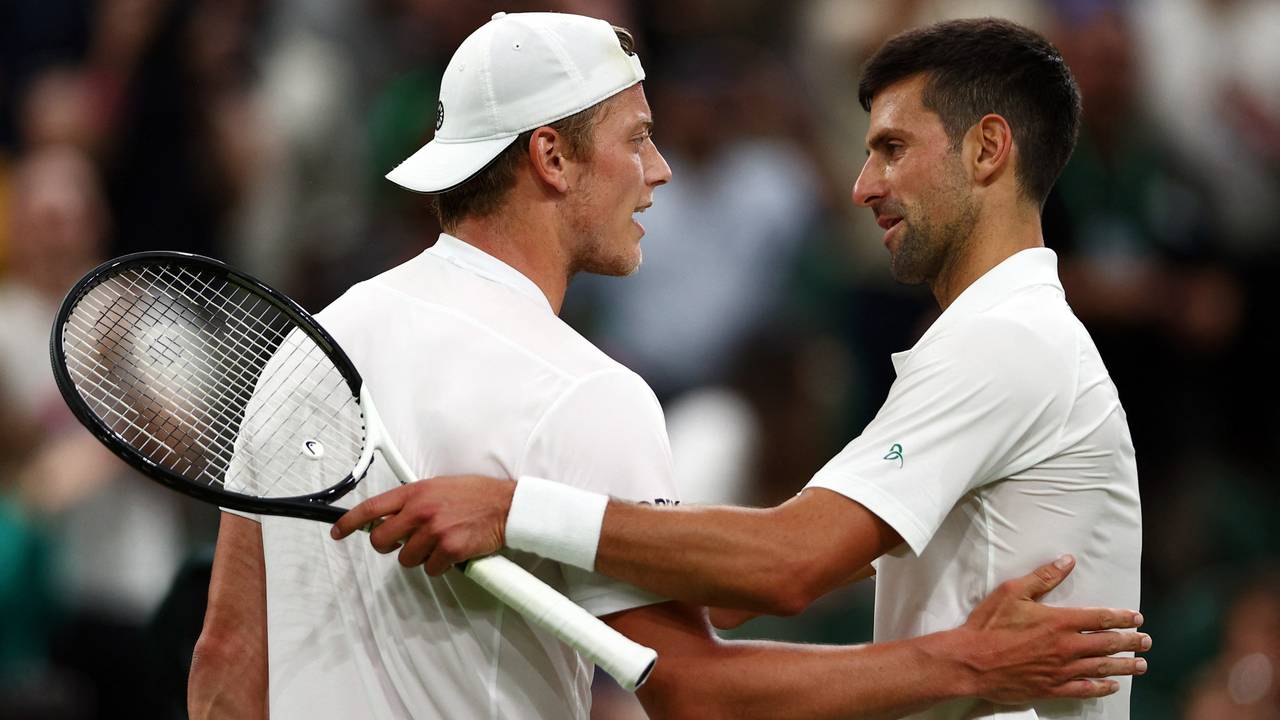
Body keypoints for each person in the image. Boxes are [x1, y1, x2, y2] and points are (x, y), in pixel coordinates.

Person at [191, 12, 1146, 719]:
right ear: (552, 159)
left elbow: (228, 659)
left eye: (892, 148)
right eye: (637, 138)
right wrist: (969, 662)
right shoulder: (589, 394)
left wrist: (514, 511)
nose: (661, 170)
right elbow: (712, 665)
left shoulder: (305, 351)